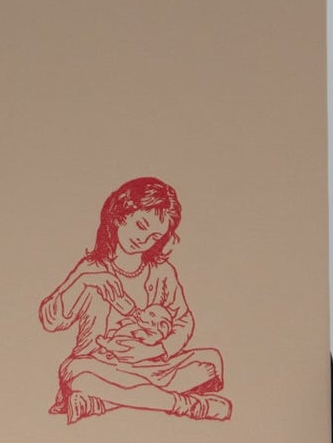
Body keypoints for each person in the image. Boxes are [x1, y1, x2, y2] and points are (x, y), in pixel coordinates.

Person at [38, 176, 230, 423]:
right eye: (140, 225)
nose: (143, 239)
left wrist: (155, 350)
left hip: (152, 364)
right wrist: (82, 282)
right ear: (120, 215)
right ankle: (186, 405)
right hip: (100, 364)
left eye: (155, 236)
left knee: (210, 362)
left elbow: (183, 320)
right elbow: (51, 320)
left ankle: (101, 402)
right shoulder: (91, 268)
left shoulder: (162, 272)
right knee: (75, 373)